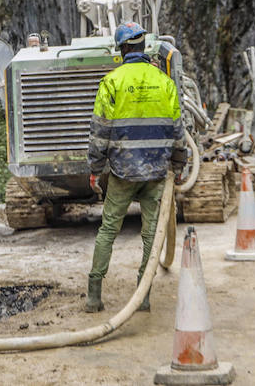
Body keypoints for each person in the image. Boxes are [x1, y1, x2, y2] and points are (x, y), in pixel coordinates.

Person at [85, 21, 187, 313]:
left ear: (123, 50)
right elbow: (178, 130)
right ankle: (143, 297)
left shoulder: (112, 82)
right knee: (152, 236)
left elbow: (99, 131)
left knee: (108, 231)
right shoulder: (164, 83)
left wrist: (95, 167)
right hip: (157, 171)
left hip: (122, 171)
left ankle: (94, 296)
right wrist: (179, 164)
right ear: (143, 48)